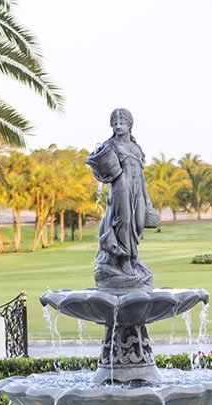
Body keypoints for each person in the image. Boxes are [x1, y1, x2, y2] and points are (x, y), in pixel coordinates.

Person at [86, 108, 159, 289]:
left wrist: (147, 200)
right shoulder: (110, 145)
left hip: (137, 191)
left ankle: (133, 259)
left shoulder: (136, 148)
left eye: (122, 123)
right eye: (115, 123)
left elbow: (141, 177)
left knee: (138, 224)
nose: (118, 126)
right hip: (121, 189)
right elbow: (100, 169)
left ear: (129, 125)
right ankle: (126, 260)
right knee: (124, 223)